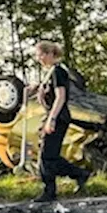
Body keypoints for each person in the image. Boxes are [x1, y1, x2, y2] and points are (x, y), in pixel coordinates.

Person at [28, 40, 91, 203]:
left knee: (47, 156)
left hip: (58, 116)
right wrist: (37, 88)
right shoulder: (50, 73)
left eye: (40, 54)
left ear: (50, 54)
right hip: (52, 115)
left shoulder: (58, 72)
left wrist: (52, 119)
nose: (38, 58)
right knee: (49, 155)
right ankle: (79, 174)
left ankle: (50, 191)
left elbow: (60, 97)